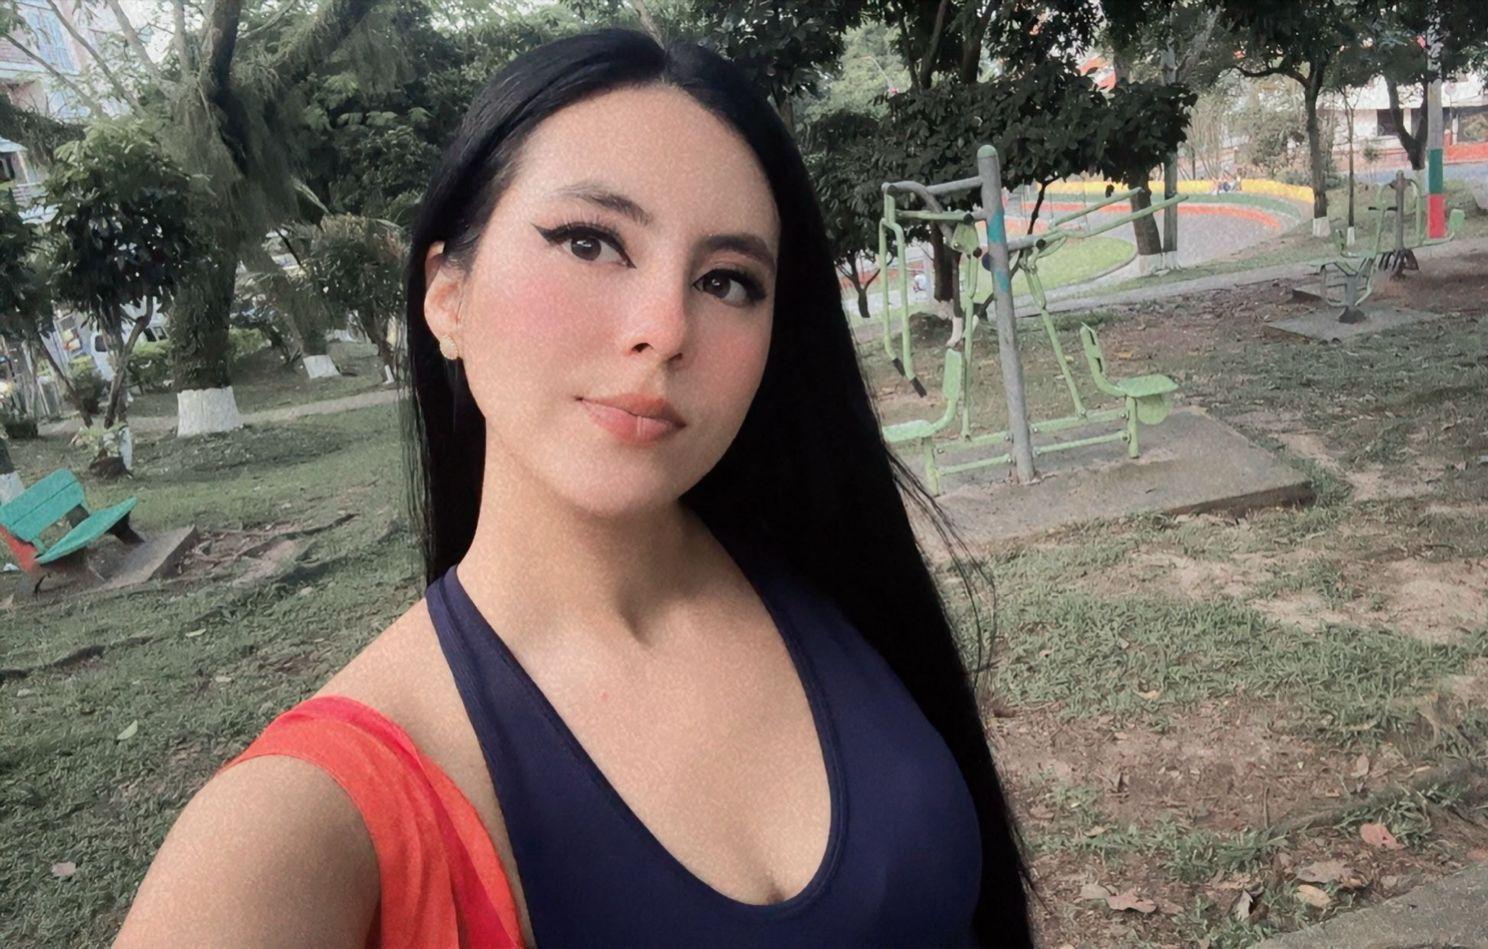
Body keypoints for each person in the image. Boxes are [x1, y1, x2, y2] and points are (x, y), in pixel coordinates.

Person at [115, 28, 1034, 949]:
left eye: (726, 280)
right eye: (590, 242)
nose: (666, 327)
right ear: (447, 297)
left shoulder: (828, 563)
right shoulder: (296, 826)